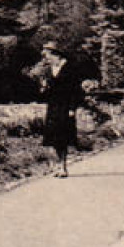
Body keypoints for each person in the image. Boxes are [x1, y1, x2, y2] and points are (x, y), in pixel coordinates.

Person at [36, 41, 83, 178]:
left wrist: (72, 108)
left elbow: (76, 91)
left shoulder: (69, 68)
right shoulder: (50, 70)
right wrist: (44, 88)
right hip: (53, 107)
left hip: (65, 106)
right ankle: (58, 165)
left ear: (56, 54)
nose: (47, 59)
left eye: (48, 56)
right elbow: (47, 93)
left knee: (63, 136)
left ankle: (63, 167)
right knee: (53, 137)